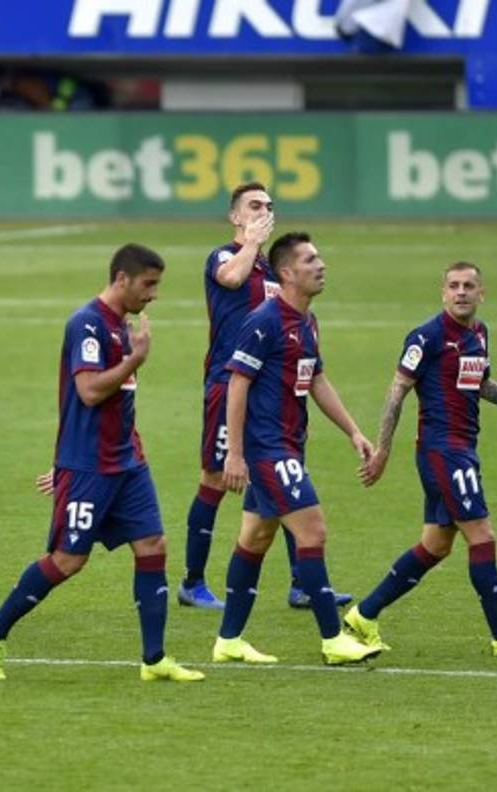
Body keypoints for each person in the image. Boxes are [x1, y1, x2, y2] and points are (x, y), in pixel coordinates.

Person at [0, 244, 202, 682]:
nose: (154, 294)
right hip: (90, 466)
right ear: (122, 279)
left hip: (128, 463)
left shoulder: (120, 325)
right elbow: (90, 392)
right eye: (148, 284)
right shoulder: (88, 324)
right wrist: (135, 360)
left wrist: (133, 440)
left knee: (153, 546)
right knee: (67, 560)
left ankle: (154, 660)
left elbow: (120, 400)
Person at [346, 262, 497, 658]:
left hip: (462, 449)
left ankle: (364, 613)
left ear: (482, 294)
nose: (461, 292)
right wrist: (383, 451)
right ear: (443, 293)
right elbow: (397, 393)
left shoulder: (479, 334)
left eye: (469, 286)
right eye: (454, 286)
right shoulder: (427, 337)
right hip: (442, 451)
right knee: (483, 536)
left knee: (436, 545)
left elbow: (479, 383)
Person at [182, 182, 352, 611]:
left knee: (286, 475)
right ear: (235, 217)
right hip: (229, 383)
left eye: (269, 206)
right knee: (216, 479)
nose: (264, 211)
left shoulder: (276, 274)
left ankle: (302, 584)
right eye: (254, 206)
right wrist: (253, 242)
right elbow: (232, 277)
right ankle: (193, 582)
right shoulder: (223, 256)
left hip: (274, 391)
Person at [214, 232, 380, 666]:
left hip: (291, 444)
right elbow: (237, 384)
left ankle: (228, 640)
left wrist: (353, 432)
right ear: (287, 273)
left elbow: (317, 380)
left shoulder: (308, 321)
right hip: (268, 449)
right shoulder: (264, 321)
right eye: (310, 259)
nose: (321, 264)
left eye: (319, 257)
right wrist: (235, 453)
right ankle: (332, 639)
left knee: (256, 537)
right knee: (313, 532)